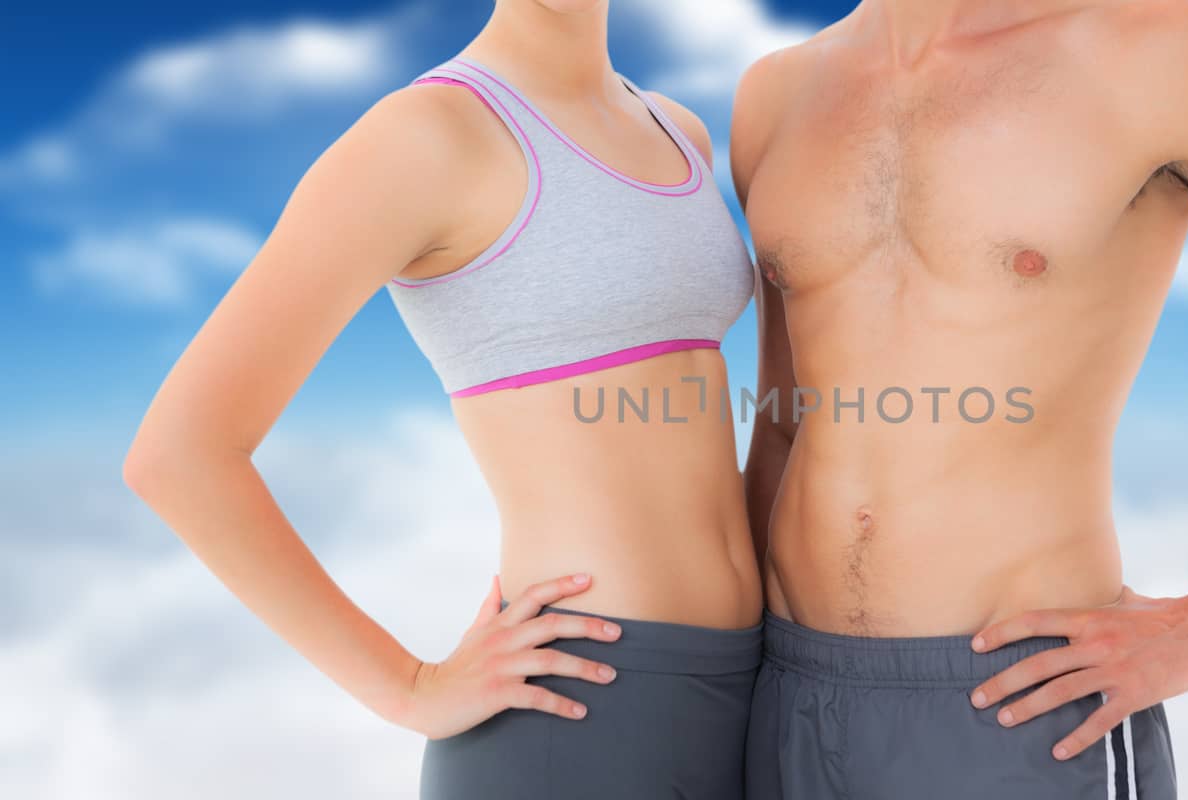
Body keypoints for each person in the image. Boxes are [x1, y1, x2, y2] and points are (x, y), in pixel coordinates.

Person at [732, 1, 1188, 798]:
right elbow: (784, 426)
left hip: (1024, 703)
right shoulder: (777, 94)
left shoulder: (1160, 49)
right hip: (790, 693)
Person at [122, 1, 764, 797]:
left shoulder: (676, 129)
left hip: (752, 687)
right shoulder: (425, 136)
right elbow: (180, 455)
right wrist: (409, 687)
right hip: (582, 705)